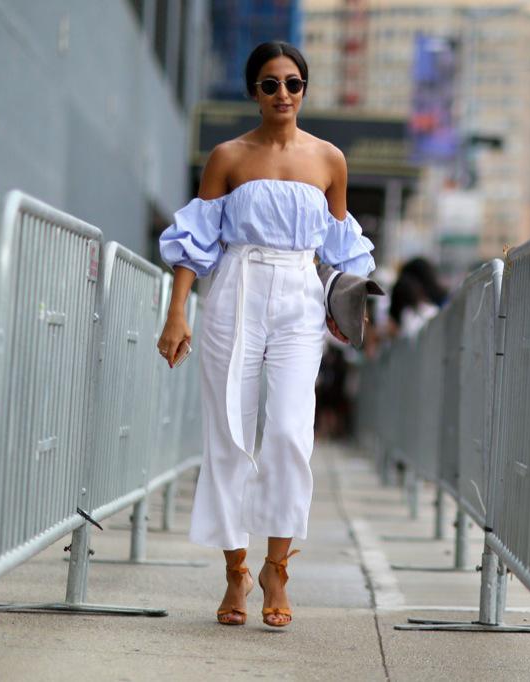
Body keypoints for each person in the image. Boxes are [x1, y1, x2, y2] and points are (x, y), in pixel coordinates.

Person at [155, 41, 375, 628]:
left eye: (293, 83)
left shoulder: (330, 160)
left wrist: (350, 305)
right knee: (228, 431)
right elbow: (196, 243)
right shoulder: (227, 156)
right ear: (253, 90)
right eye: (271, 83)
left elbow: (342, 249)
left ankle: (278, 566)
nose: (283, 93)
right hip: (235, 290)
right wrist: (177, 313)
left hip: (300, 298)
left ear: (305, 89)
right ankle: (235, 574)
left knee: (287, 432)